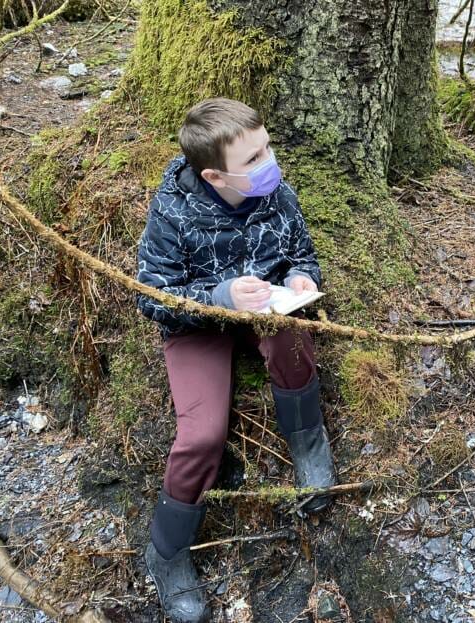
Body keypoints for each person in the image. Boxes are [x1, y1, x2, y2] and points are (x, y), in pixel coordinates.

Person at [135, 97, 337, 623]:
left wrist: (300, 278)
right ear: (213, 174)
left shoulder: (276, 192)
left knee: (294, 346)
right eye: (253, 158)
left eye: (266, 147)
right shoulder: (174, 210)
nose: (269, 163)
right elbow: (152, 295)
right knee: (201, 434)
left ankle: (309, 446)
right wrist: (220, 298)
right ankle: (168, 552)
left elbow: (302, 252)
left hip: (267, 308)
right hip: (197, 326)